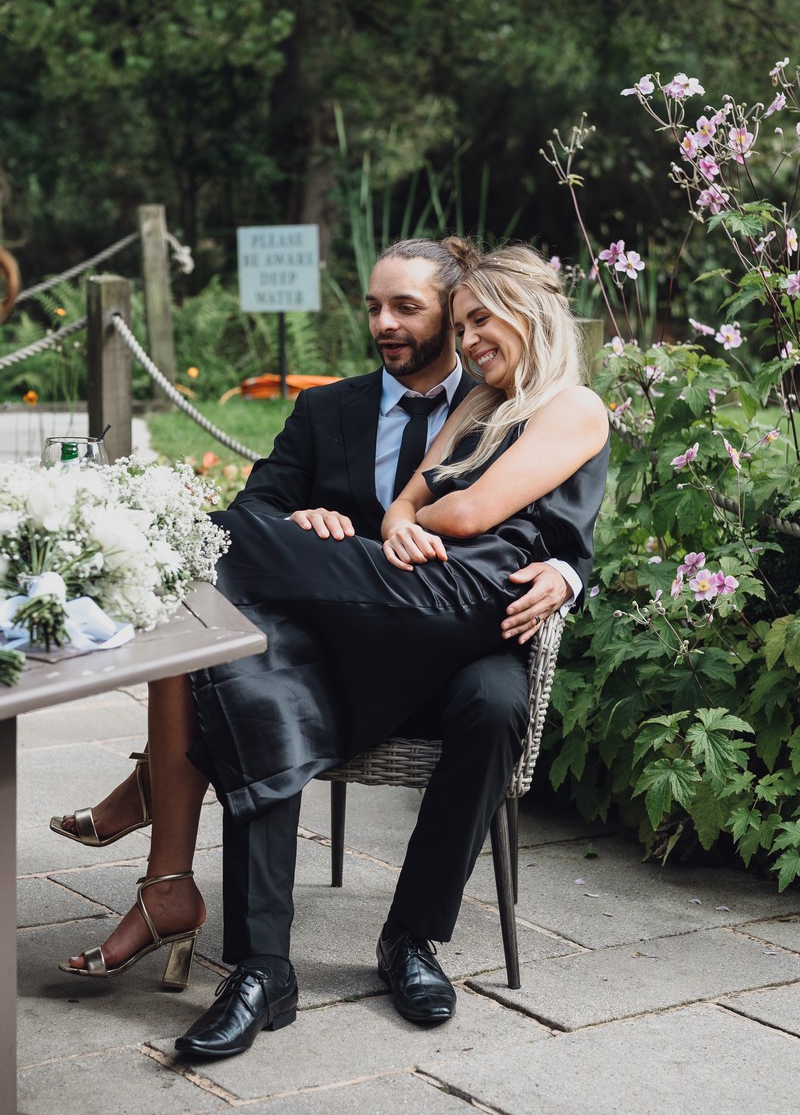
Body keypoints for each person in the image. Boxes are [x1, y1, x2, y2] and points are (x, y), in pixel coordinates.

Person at [54, 239, 608, 1059]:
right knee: (250, 681)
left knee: (489, 701)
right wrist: (317, 525)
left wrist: (565, 572)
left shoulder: (536, 398)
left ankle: (410, 938)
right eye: (374, 307)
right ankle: (260, 969)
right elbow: (373, 508)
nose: (386, 323)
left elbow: (544, 524)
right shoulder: (360, 410)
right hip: (345, 631)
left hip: (459, 628)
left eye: (412, 308)